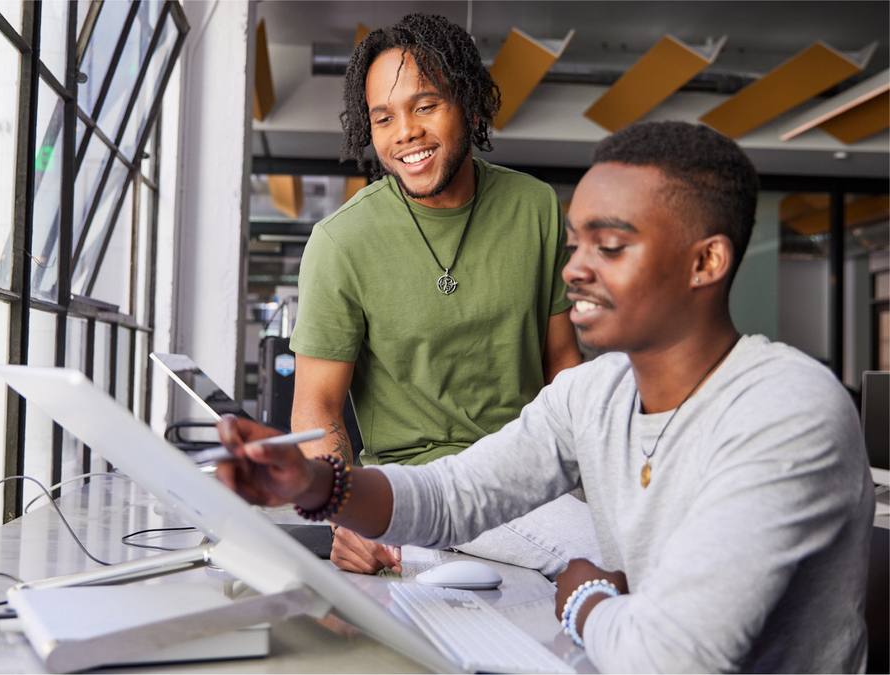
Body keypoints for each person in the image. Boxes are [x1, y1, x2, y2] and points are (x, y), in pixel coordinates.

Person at [218, 121, 874, 672]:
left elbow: (673, 657)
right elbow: (453, 494)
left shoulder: (787, 408)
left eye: (610, 246)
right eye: (576, 242)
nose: (575, 269)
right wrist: (313, 482)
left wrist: (581, 595)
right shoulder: (594, 392)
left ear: (706, 262)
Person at [289, 13, 586, 575]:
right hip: (414, 485)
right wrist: (344, 513)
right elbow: (317, 406)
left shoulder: (535, 206)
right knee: (615, 557)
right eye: (384, 118)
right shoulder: (341, 241)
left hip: (530, 473)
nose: (405, 132)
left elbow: (564, 367)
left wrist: (603, 480)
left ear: (470, 106)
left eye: (425, 106)